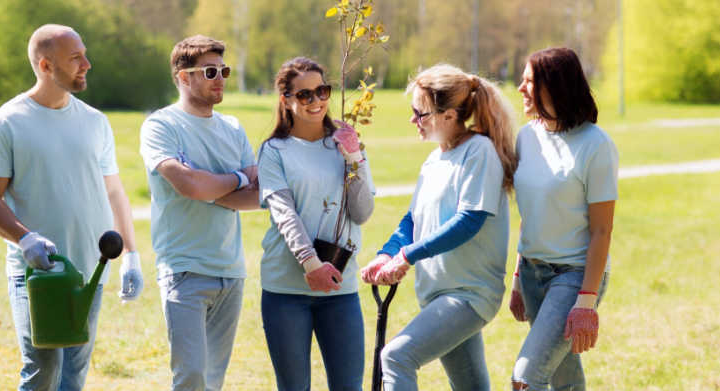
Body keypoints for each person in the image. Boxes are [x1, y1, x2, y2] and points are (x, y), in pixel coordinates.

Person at [0, 24, 142, 391]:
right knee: (43, 371)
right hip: (39, 274)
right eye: (75, 58)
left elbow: (113, 191)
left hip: (90, 271)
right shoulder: (6, 123)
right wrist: (24, 239)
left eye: (84, 54)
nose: (88, 63)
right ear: (46, 65)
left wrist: (131, 253)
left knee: (74, 376)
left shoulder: (95, 121)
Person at [359, 64, 517, 391]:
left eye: (420, 113)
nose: (413, 120)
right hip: (439, 295)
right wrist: (386, 254)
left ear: (448, 115)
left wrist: (408, 256)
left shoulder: (479, 152)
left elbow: (469, 221)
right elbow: (412, 221)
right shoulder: (434, 160)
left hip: (469, 295)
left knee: (396, 357)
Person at [139, 35, 260, 391]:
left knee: (212, 380)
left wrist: (207, 187)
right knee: (190, 376)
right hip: (184, 270)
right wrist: (233, 180)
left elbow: (258, 195)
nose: (220, 78)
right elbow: (189, 185)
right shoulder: (161, 126)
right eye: (210, 71)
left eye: (223, 70)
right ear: (183, 77)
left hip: (230, 271)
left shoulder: (233, 127)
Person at [257, 57, 375, 391]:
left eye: (321, 91)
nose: (317, 101)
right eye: (305, 95)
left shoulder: (347, 143)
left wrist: (354, 158)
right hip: (286, 291)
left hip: (340, 289)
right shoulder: (274, 151)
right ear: (287, 100)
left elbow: (363, 212)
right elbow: (283, 213)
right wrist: (312, 264)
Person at [508, 47, 616, 391]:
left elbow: (602, 230)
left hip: (573, 276)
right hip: (532, 274)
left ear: (553, 87)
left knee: (526, 377)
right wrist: (517, 278)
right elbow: (531, 212)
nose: (521, 89)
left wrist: (586, 301)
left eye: (528, 82)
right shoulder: (527, 137)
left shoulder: (596, 145)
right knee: (563, 378)